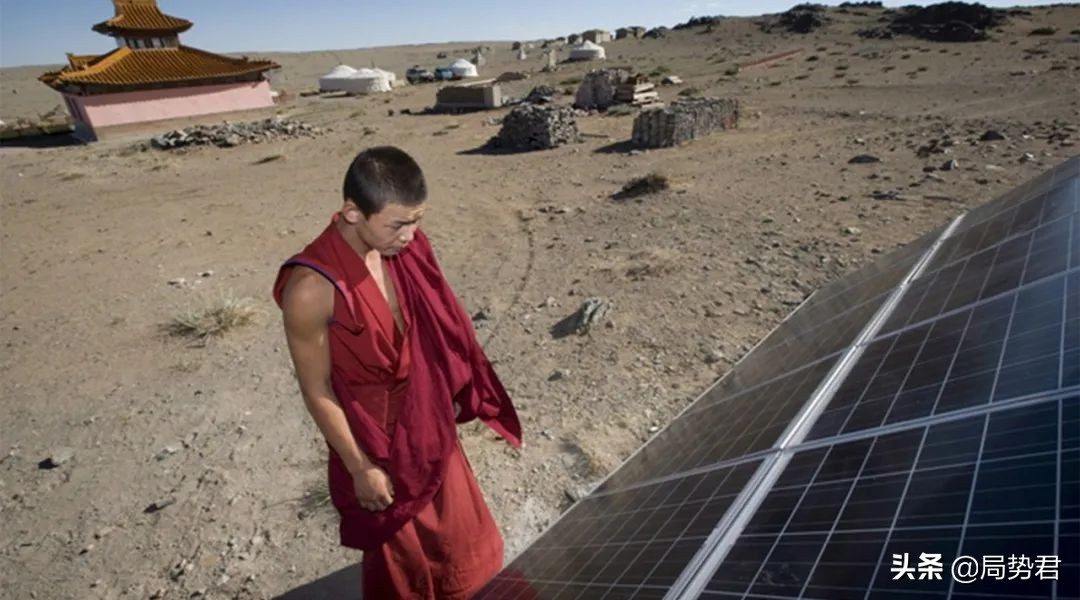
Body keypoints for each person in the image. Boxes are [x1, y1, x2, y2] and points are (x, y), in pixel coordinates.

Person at [272, 146, 521, 599]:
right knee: (406, 567)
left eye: (418, 219)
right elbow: (316, 389)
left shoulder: (401, 249)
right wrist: (360, 467)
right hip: (377, 444)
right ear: (352, 212)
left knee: (467, 545)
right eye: (397, 224)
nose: (410, 236)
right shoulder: (311, 288)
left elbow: (439, 325)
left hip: (428, 424)